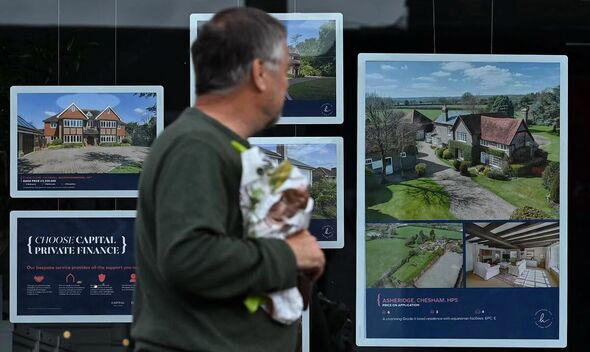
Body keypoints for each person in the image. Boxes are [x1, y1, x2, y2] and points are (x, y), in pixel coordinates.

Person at [131, 7, 325, 352]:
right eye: (284, 70)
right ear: (259, 73)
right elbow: (189, 257)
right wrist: (288, 256)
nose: (287, 82)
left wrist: (295, 263)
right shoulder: (195, 146)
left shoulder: (225, 146)